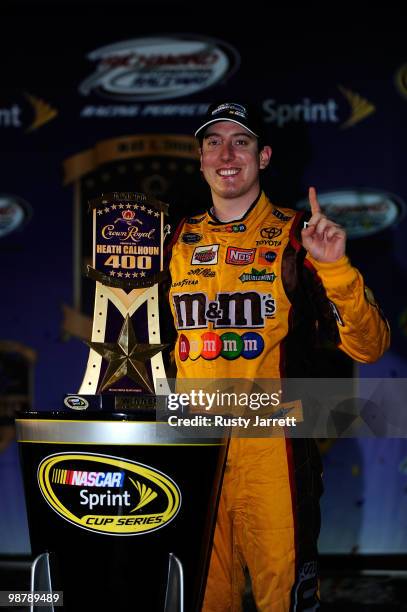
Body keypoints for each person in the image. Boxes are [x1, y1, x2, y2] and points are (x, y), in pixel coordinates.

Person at [167, 102, 390, 611]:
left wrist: (334, 269)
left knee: (283, 599)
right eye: (214, 142)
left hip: (275, 456)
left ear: (263, 156)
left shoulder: (299, 238)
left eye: (241, 141)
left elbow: (370, 346)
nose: (227, 153)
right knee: (200, 599)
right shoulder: (176, 240)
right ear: (200, 158)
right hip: (192, 451)